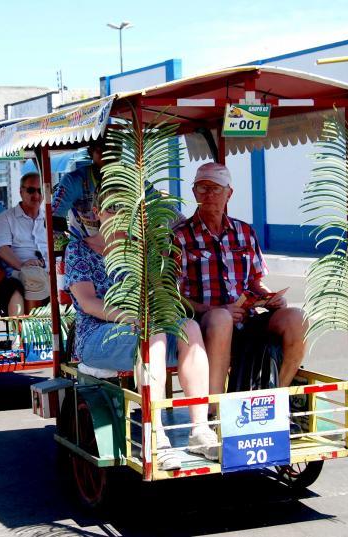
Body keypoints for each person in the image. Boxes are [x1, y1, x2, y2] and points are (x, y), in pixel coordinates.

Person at [65, 189, 218, 469]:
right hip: (98, 336)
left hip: (144, 330)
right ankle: (155, 434)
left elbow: (160, 293)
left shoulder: (141, 250)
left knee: (190, 328)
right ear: (99, 213)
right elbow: (87, 302)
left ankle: (200, 429)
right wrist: (133, 317)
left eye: (126, 211)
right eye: (112, 210)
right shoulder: (79, 249)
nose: (119, 217)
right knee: (153, 332)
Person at [173, 162, 308, 393]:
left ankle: (275, 396)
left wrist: (270, 298)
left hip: (248, 318)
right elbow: (171, 293)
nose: (208, 195)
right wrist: (211, 309)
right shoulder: (180, 236)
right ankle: (214, 411)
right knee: (221, 319)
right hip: (204, 319)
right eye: (202, 188)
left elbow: (255, 281)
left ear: (229, 193)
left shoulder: (245, 232)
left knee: (298, 318)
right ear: (194, 192)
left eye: (215, 188)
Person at [51, 138, 184, 241]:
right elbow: (55, 219)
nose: (110, 157)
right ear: (91, 152)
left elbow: (162, 207)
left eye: (114, 151)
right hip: (85, 249)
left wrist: (185, 228)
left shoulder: (131, 178)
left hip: (123, 252)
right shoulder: (74, 181)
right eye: (102, 150)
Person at [0, 172, 50, 318]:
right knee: (32, 274)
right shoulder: (6, 217)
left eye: (40, 191)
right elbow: (1, 248)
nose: (36, 195)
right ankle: (33, 333)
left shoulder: (49, 218)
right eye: (31, 190)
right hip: (18, 274)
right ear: (21, 192)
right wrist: (22, 264)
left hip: (48, 270)